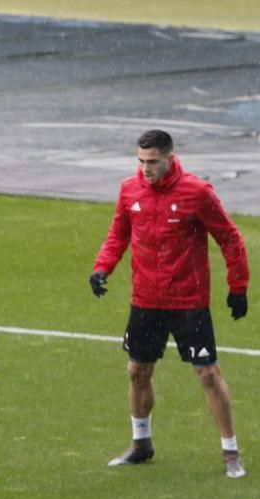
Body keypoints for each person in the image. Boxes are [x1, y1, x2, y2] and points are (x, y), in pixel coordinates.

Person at [90, 129, 250, 478]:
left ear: (170, 158)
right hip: (146, 299)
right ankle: (140, 444)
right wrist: (102, 268)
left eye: (152, 162)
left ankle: (230, 452)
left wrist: (238, 286)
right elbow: (119, 234)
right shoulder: (129, 190)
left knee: (208, 374)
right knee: (137, 371)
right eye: (141, 161)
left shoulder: (197, 192)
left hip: (188, 300)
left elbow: (229, 237)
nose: (145, 169)